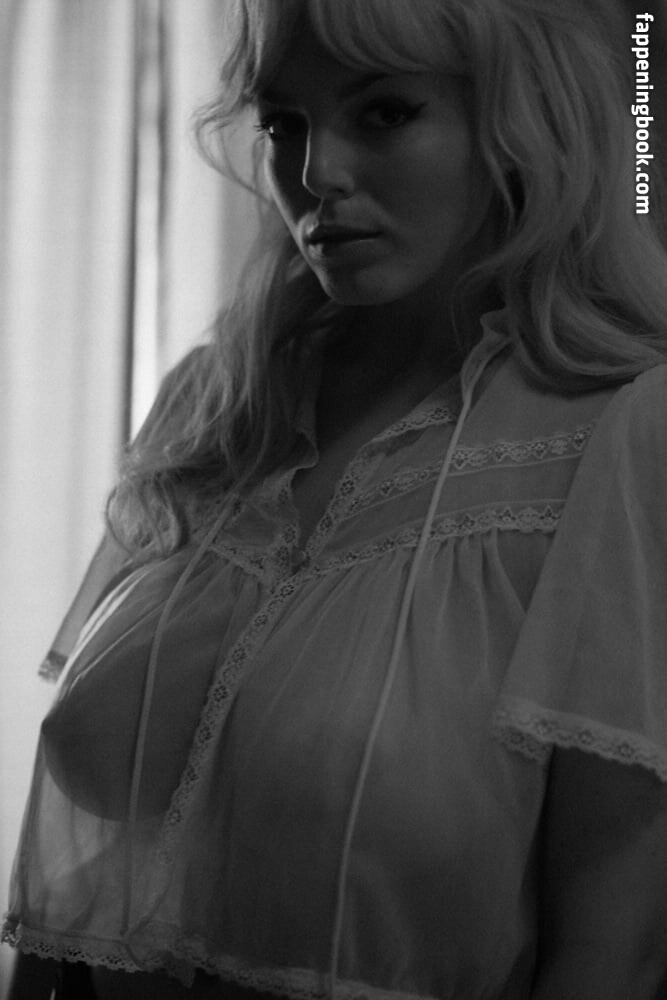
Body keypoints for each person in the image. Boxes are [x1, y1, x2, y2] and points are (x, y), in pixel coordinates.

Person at [5, 1, 667, 997]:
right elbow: (81, 893)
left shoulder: (625, 434)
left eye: (385, 112)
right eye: (284, 122)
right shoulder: (215, 404)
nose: (314, 173)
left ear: (525, 120)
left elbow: (612, 951)